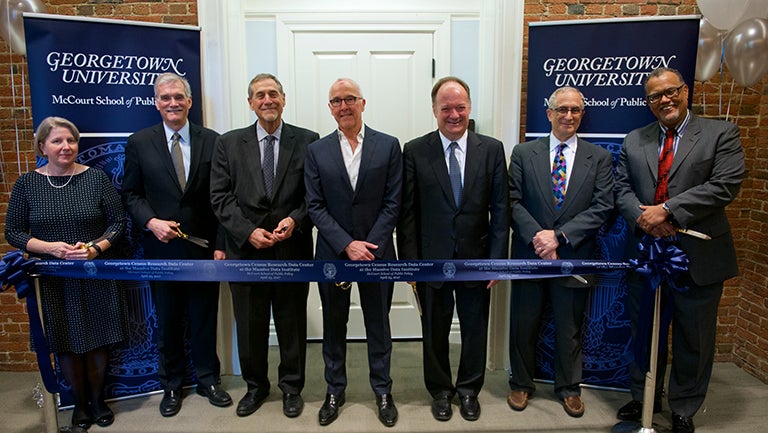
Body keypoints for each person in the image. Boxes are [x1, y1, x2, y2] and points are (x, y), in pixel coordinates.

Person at [614, 67, 745, 433]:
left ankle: (684, 406)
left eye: (670, 91)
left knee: (693, 336)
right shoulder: (634, 140)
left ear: (685, 91)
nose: (664, 100)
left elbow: (725, 185)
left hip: (699, 255)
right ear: (648, 102)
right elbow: (621, 189)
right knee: (644, 332)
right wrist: (645, 220)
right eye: (655, 96)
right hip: (645, 253)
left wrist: (668, 210)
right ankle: (645, 398)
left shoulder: (721, 133)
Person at [397, 76, 509, 422]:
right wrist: (411, 265)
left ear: (469, 107)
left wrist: (494, 262)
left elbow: (501, 210)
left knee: (475, 328)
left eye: (460, 107)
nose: (454, 114)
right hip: (432, 261)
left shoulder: (491, 149)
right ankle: (442, 391)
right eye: (446, 108)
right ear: (435, 110)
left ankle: (469, 390)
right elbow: (408, 212)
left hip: (476, 260)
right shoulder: (415, 150)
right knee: (434, 330)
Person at [5, 116, 127, 430]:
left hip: (95, 273)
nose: (66, 147)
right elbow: (14, 233)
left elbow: (118, 223)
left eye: (71, 140)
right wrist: (50, 248)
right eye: (57, 141)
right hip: (53, 279)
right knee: (65, 341)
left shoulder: (97, 178)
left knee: (98, 339)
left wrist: (96, 247)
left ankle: (99, 401)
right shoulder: (26, 184)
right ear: (42, 146)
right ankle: (79, 405)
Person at [122, 72, 231, 417]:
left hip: (204, 248)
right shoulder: (140, 142)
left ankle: (208, 379)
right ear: (156, 103)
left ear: (189, 101)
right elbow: (131, 193)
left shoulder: (213, 140)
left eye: (178, 97)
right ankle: (171, 384)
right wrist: (152, 223)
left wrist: (221, 242)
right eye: (165, 98)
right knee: (168, 320)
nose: (172, 103)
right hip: (161, 249)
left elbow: (222, 198)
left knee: (203, 318)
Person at [210, 73, 319, 418]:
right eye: (260, 95)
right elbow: (220, 197)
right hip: (247, 253)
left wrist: (296, 220)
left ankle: (291, 387)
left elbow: (314, 195)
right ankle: (255, 387)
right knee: (250, 325)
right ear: (250, 103)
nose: (267, 100)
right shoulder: (228, 144)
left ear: (284, 99)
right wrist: (246, 232)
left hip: (292, 251)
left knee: (291, 325)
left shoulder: (308, 141)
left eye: (273, 94)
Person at [506, 86, 614, 418]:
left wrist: (559, 238)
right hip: (529, 254)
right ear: (549, 113)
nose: (569, 116)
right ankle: (521, 384)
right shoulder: (524, 153)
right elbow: (512, 201)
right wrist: (539, 237)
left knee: (569, 327)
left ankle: (568, 388)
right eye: (562, 109)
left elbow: (602, 207)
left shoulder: (600, 158)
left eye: (576, 110)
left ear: (582, 114)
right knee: (524, 323)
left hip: (573, 255)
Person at [304, 78, 402, 427]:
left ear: (363, 103)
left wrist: (369, 245)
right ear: (330, 108)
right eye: (336, 101)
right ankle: (335, 390)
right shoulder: (316, 151)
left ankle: (383, 390)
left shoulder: (389, 146)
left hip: (377, 254)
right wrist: (347, 244)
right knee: (334, 324)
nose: (343, 106)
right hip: (333, 254)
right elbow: (314, 206)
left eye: (349, 99)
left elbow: (394, 202)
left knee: (379, 324)